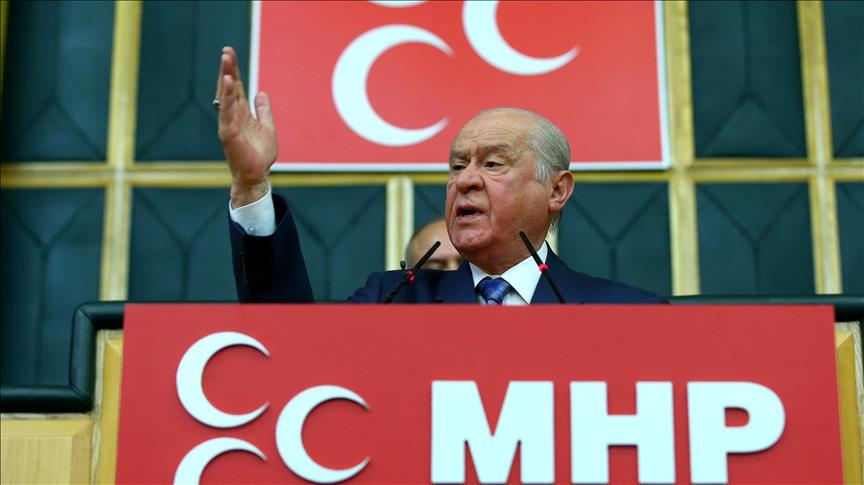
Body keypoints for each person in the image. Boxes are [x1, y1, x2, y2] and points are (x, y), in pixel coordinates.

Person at [216, 46, 665, 304]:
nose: (466, 181)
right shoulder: (391, 302)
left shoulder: (629, 314)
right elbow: (290, 345)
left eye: (492, 164)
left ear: (557, 189)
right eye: (457, 165)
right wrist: (251, 186)